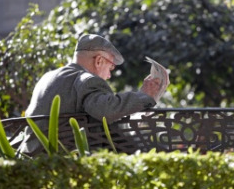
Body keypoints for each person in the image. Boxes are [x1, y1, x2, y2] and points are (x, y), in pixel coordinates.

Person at [20, 33, 160, 155]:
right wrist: (144, 95)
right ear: (99, 61)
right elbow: (106, 110)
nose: (109, 75)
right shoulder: (88, 80)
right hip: (66, 160)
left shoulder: (47, 77)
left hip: (33, 156)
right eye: (110, 67)